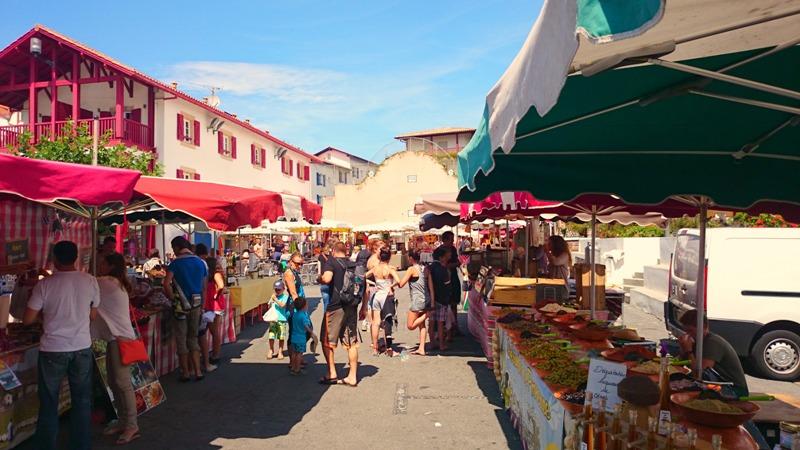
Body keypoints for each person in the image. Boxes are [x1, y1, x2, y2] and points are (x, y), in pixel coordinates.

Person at [24, 241, 99, 450]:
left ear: (55, 259)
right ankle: (81, 445)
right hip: (81, 347)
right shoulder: (90, 281)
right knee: (82, 401)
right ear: (76, 257)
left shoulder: (45, 285)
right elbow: (93, 315)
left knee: (49, 402)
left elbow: (27, 319)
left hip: (53, 349)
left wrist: (45, 316)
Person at [678, 310, 770, 449]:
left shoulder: (712, 343)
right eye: (685, 331)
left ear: (703, 327)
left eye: (690, 331)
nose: (688, 335)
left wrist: (689, 350)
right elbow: (681, 363)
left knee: (690, 399)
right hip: (715, 386)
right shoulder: (698, 341)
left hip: (733, 390)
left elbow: (699, 374)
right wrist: (683, 350)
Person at [93, 253, 140, 445]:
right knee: (114, 381)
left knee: (122, 383)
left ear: (110, 266)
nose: (99, 266)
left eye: (102, 263)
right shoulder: (114, 282)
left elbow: (85, 283)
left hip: (120, 339)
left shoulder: (107, 282)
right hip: (116, 338)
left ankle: (131, 425)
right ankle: (122, 420)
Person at [163, 236, 207, 382]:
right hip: (197, 303)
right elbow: (204, 287)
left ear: (177, 247)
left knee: (181, 339)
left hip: (180, 306)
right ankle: (198, 371)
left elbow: (166, 284)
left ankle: (186, 372)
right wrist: (203, 305)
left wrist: (173, 298)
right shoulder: (200, 262)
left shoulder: (175, 263)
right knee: (193, 337)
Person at [320, 242, 363, 386]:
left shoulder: (331, 262)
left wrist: (320, 278)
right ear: (346, 251)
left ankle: (331, 373)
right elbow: (364, 285)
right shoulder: (354, 264)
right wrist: (363, 308)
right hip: (352, 305)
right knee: (352, 342)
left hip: (336, 306)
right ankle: (352, 376)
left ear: (333, 251)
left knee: (327, 341)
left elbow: (327, 278)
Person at [365, 247, 401, 356]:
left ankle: (375, 349)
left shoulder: (375, 268)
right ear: (389, 257)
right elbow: (398, 281)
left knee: (375, 323)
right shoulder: (389, 269)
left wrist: (373, 284)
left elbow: (364, 276)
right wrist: (391, 286)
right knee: (387, 322)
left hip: (377, 296)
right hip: (386, 296)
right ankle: (389, 349)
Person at [397, 250, 430, 355]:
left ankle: (428, 315)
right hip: (426, 298)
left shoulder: (411, 269)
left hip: (416, 300)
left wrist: (394, 276)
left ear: (411, 258)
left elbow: (401, 284)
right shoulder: (425, 268)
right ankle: (421, 348)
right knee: (422, 325)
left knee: (410, 326)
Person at [428, 246, 453, 351]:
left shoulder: (429, 268)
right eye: (446, 256)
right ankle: (442, 345)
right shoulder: (443, 269)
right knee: (440, 323)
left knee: (431, 322)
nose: (447, 258)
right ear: (441, 257)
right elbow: (447, 285)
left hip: (431, 300)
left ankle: (432, 343)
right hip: (442, 299)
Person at [204, 256, 226, 367]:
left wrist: (216, 295)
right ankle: (214, 353)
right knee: (213, 331)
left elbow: (221, 286)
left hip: (215, 306)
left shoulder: (216, 274)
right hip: (212, 306)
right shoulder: (211, 275)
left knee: (214, 331)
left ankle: (215, 354)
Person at [440, 231, 462, 336]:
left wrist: (453, 264)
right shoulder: (439, 251)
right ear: (445, 240)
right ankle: (445, 329)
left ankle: (455, 326)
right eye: (451, 239)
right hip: (443, 280)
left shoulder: (453, 249)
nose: (453, 241)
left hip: (454, 278)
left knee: (454, 303)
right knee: (445, 305)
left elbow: (457, 262)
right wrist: (453, 264)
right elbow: (442, 265)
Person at [289, 297, 317, 375]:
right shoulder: (303, 316)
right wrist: (311, 332)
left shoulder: (294, 315)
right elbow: (306, 326)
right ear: (304, 306)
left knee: (294, 353)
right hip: (301, 338)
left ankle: (293, 367)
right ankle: (297, 369)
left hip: (293, 337)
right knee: (299, 354)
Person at [266, 280, 291, 360]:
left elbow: (282, 305)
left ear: (283, 289)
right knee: (271, 336)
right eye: (276, 289)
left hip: (281, 319)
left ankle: (280, 351)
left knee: (281, 337)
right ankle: (271, 350)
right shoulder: (273, 297)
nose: (277, 291)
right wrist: (270, 303)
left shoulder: (285, 297)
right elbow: (269, 307)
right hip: (273, 319)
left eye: (279, 289)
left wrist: (275, 299)